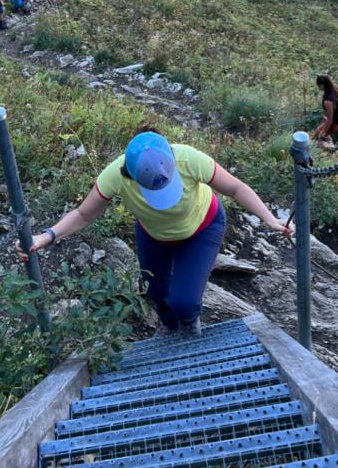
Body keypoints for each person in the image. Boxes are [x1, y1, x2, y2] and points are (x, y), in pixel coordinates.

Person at [27, 131, 293, 337]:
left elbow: (235, 188)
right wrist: (47, 236)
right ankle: (168, 327)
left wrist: (269, 219)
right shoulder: (115, 176)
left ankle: (188, 325)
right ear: (130, 176)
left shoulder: (188, 158)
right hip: (153, 235)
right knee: (155, 293)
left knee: (184, 302)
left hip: (202, 228)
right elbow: (84, 214)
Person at [311, 75, 338, 148]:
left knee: (320, 137)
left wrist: (323, 133)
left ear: (322, 85)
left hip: (335, 122)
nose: (319, 87)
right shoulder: (335, 90)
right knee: (316, 133)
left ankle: (329, 150)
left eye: (319, 85)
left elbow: (330, 119)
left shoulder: (328, 100)